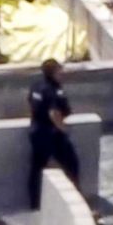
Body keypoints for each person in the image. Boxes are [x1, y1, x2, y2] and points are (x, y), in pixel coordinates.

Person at [27, 58, 80, 210]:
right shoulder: (53, 90)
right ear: (53, 73)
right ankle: (75, 200)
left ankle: (35, 204)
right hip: (52, 135)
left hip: (36, 132)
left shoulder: (36, 86)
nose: (62, 73)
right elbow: (54, 113)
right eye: (59, 71)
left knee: (36, 169)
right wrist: (63, 129)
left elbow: (32, 105)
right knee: (71, 165)